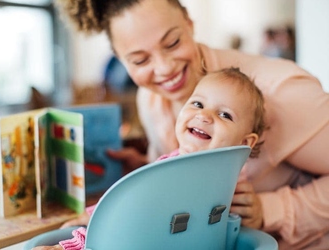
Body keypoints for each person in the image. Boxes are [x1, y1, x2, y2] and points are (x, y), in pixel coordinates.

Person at [51, 0, 329, 249]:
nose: (164, 69)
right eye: (140, 60)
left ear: (189, 24)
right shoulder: (149, 98)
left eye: (172, 43)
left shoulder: (282, 93)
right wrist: (142, 170)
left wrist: (270, 210)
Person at [34, 67, 267, 249]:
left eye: (224, 114)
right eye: (197, 104)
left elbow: (130, 217)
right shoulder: (224, 180)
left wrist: (79, 235)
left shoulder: (182, 176)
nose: (204, 116)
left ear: (246, 143)